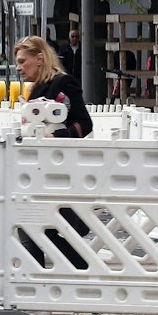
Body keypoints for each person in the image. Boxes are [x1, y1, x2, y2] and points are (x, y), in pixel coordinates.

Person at [15, 34, 94, 269]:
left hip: (61, 172)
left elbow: (84, 123)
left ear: (39, 58)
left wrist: (54, 137)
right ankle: (78, 273)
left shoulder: (63, 83)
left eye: (22, 61)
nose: (19, 67)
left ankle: (81, 272)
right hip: (44, 172)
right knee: (33, 227)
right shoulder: (37, 89)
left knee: (36, 227)